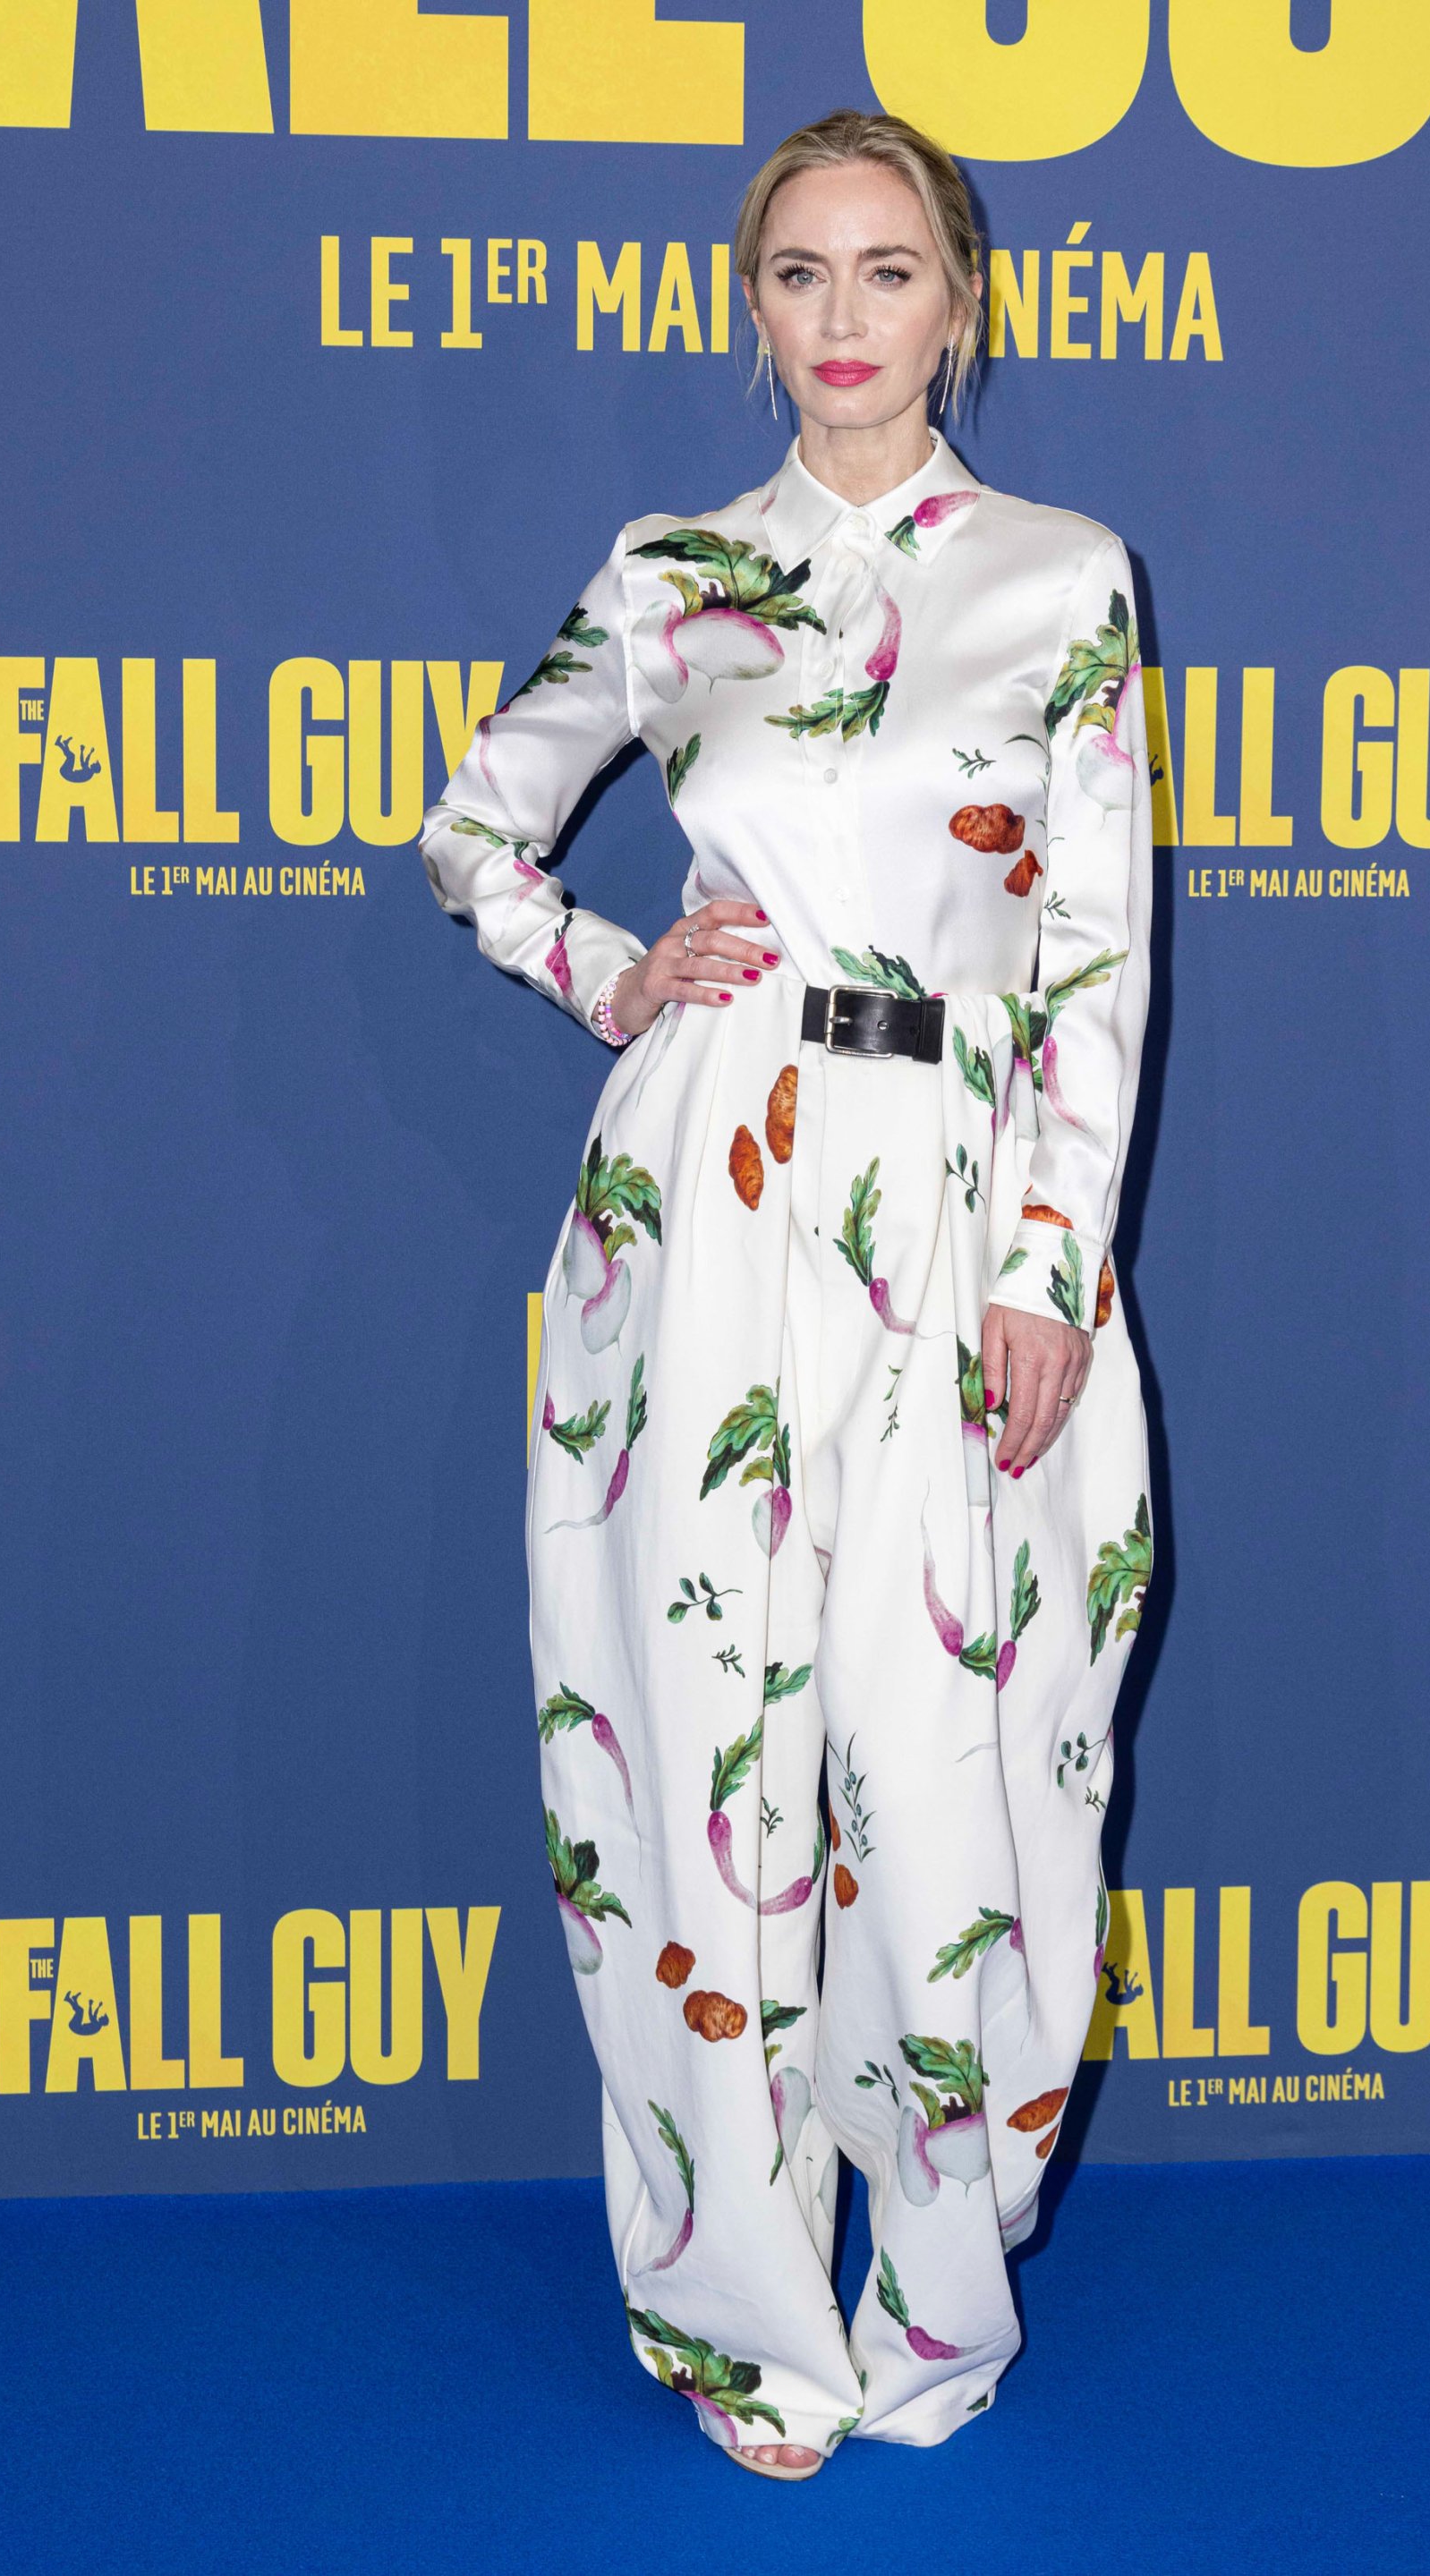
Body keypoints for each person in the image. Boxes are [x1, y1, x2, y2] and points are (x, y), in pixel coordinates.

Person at [419, 107, 1154, 2480]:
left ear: (965, 298)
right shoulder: (674, 572)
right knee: (704, 1766)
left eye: (888, 272)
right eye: (798, 277)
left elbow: (1094, 953)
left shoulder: (1067, 578)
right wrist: (615, 967)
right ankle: (744, 2314)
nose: (842, 320)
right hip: (706, 1210)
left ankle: (937, 2294)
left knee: (955, 1787)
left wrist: (1051, 1263)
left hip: (957, 1221)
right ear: (757, 311)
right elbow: (469, 825)